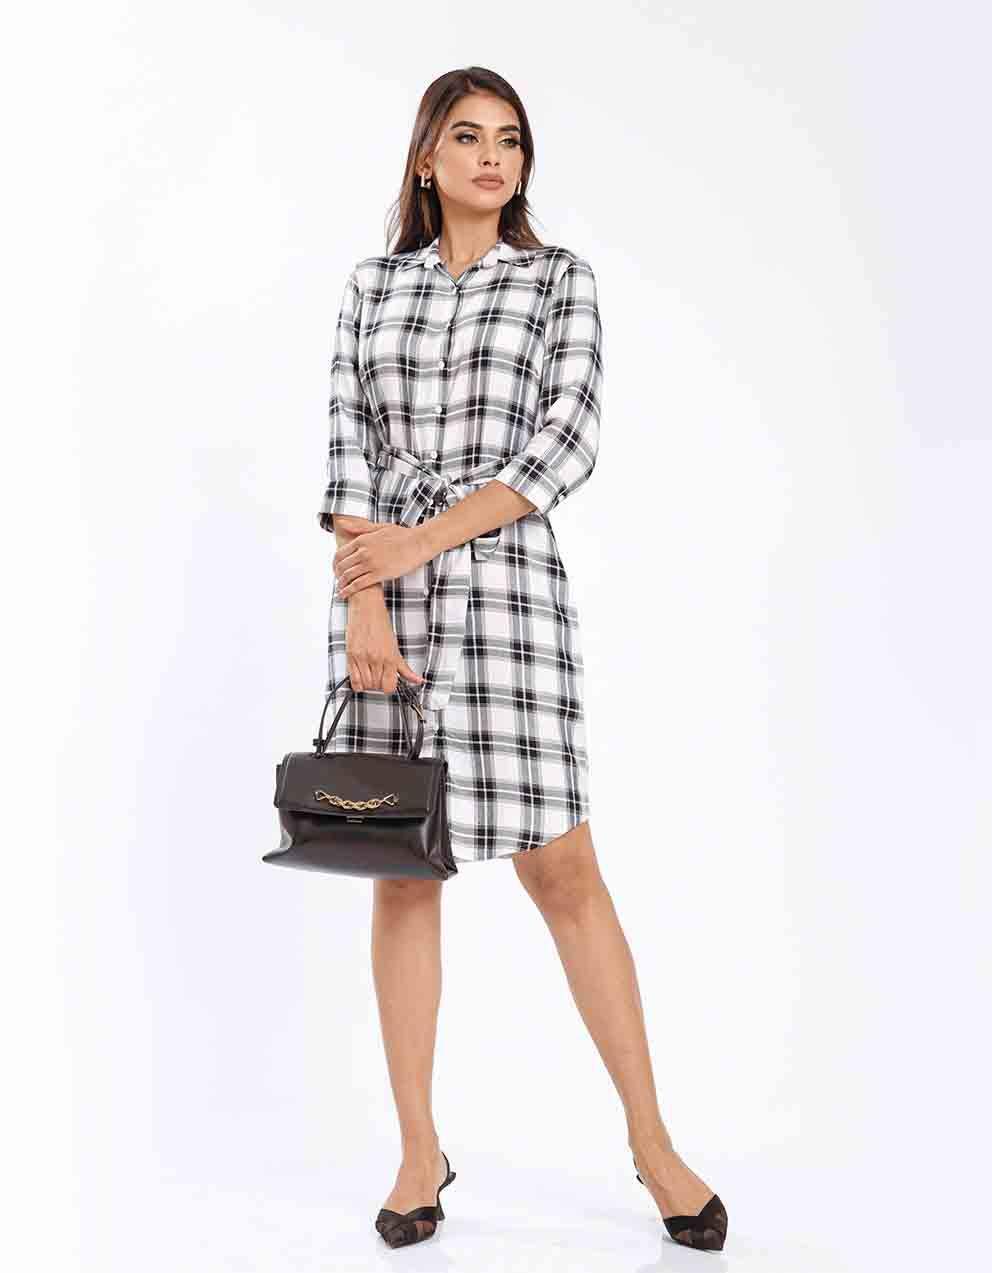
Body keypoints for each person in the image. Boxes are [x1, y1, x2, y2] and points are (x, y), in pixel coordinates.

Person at [318, 66, 728, 1252]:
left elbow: (566, 442)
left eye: (509, 139)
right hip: (386, 601)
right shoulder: (371, 287)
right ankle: (417, 1150)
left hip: (508, 596)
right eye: (467, 136)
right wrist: (366, 601)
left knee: (563, 866)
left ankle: (652, 1143)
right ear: (426, 159)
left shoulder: (558, 281)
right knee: (401, 863)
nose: (492, 156)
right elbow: (348, 444)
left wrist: (422, 540)